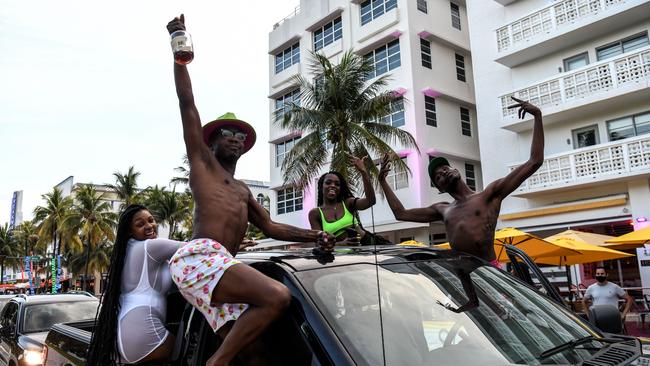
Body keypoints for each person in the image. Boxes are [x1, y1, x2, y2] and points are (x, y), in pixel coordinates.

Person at [166, 15, 335, 366]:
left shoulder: (243, 191)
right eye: (229, 133)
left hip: (224, 264)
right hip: (199, 258)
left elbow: (273, 228)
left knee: (255, 351)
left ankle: (223, 358)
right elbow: (186, 104)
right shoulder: (202, 166)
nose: (237, 138)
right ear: (210, 142)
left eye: (241, 136)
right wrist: (179, 44)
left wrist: (315, 237)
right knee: (277, 296)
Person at [378, 97, 544, 266]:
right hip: (462, 278)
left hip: (488, 273)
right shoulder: (443, 209)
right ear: (440, 188)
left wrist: (537, 116)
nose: (443, 172)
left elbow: (534, 161)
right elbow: (401, 213)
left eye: (445, 168)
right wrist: (383, 181)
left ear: (456, 170)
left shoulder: (489, 195)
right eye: (438, 176)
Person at [87, 204, 185, 365]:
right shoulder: (151, 247)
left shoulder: (125, 252)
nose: (149, 226)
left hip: (120, 338)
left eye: (151, 220)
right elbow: (198, 248)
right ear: (129, 231)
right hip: (144, 333)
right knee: (194, 349)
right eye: (140, 224)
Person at [308, 155, 376, 245]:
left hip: (364, 251)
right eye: (328, 183)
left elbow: (370, 201)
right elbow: (319, 243)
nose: (333, 186)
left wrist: (363, 172)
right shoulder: (315, 213)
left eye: (337, 184)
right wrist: (341, 244)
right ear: (321, 187)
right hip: (340, 258)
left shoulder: (348, 203)